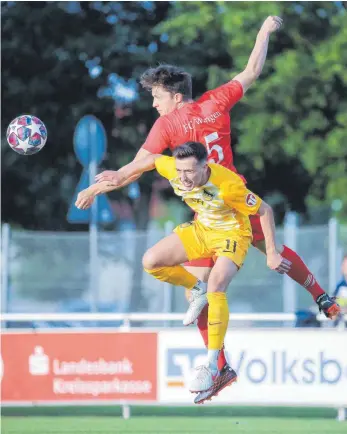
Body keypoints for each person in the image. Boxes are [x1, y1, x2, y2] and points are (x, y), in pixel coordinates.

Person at [78, 16, 340, 402]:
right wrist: (263, 31)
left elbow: (134, 168)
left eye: (156, 96)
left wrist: (98, 186)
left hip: (225, 202)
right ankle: (321, 297)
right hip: (222, 202)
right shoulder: (216, 101)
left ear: (175, 96)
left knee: (212, 286)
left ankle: (218, 363)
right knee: (254, 261)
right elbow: (252, 70)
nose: (153, 104)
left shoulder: (168, 126)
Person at [76, 141, 290, 396]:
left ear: (204, 166)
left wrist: (272, 252)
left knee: (217, 285)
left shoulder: (228, 185)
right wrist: (104, 183)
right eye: (179, 172)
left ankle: (212, 365)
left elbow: (265, 210)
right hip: (201, 232)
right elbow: (152, 159)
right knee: (150, 261)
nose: (183, 178)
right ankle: (195, 287)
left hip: (231, 235)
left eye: (189, 172)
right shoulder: (174, 168)